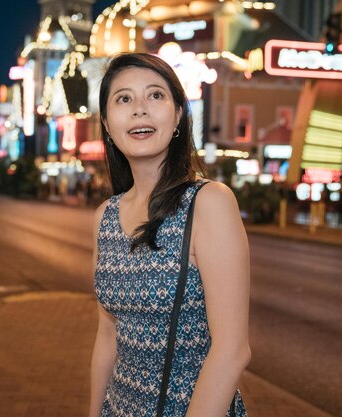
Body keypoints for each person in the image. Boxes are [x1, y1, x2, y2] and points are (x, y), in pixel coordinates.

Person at [89, 53, 251, 417]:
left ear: (178, 114)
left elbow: (232, 349)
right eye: (123, 99)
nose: (139, 110)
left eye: (156, 95)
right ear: (107, 123)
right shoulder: (105, 217)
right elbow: (107, 335)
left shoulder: (209, 203)